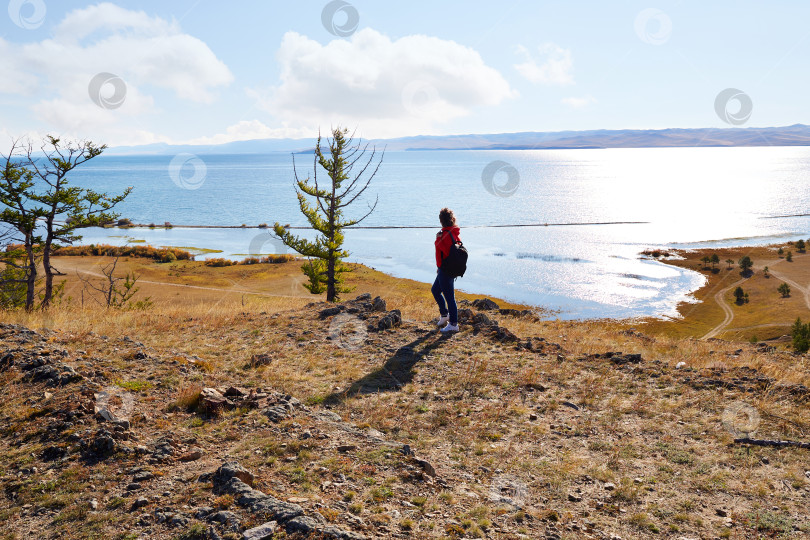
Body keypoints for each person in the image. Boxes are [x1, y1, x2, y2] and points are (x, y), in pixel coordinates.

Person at [432, 208, 460, 333]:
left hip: (446, 270)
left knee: (450, 297)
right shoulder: (453, 232)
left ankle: (453, 324)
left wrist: (438, 239)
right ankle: (445, 316)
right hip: (444, 269)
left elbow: (445, 251)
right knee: (435, 290)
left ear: (441, 221)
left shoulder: (445, 235)